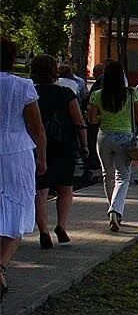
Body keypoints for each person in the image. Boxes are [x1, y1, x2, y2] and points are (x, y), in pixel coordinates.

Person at [1, 37, 46, 296]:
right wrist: (42, 157)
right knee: (17, 206)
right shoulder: (23, 86)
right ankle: (1, 265)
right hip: (17, 152)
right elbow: (37, 128)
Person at [31, 55, 88, 248]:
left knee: (41, 190)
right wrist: (84, 145)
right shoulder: (66, 93)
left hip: (38, 144)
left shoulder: (31, 93)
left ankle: (43, 230)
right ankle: (61, 225)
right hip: (64, 143)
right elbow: (79, 121)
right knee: (65, 188)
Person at [88, 60, 138, 233]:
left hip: (103, 137)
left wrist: (104, 118)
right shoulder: (132, 93)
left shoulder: (97, 95)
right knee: (123, 177)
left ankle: (112, 207)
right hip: (124, 138)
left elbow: (91, 120)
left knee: (107, 175)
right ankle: (115, 210)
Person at [83, 62, 105, 180]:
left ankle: (95, 160)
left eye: (95, 71)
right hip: (99, 118)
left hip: (98, 119)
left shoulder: (100, 83)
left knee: (94, 140)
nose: (93, 74)